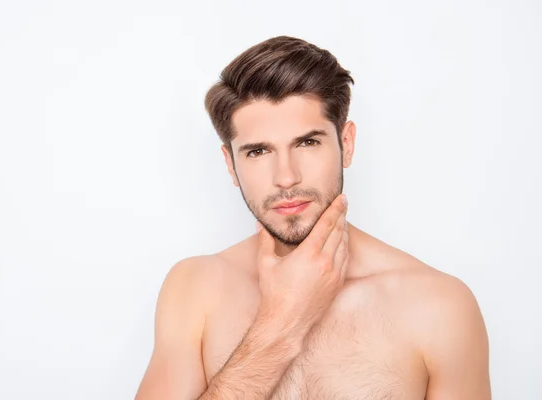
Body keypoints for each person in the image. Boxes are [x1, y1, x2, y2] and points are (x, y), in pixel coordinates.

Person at [135, 35, 491, 399]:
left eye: (308, 143)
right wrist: (282, 322)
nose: (286, 177)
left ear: (346, 144)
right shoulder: (195, 289)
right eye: (258, 151)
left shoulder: (439, 306)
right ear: (230, 164)